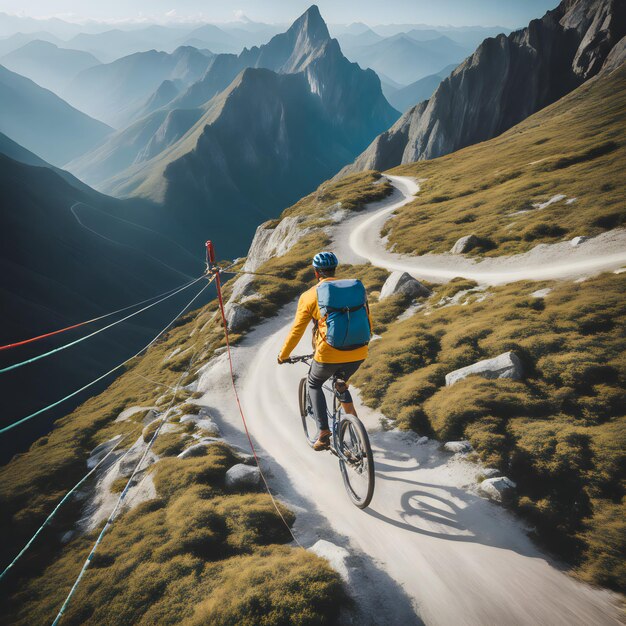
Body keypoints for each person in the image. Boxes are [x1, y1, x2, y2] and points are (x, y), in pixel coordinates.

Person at [277, 251, 372, 450]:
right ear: (335, 269)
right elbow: (368, 320)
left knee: (314, 383)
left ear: (315, 272)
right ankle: (356, 429)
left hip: (328, 353)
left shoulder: (309, 295)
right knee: (341, 382)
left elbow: (296, 331)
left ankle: (323, 432)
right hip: (359, 351)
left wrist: (283, 355)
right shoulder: (355, 289)